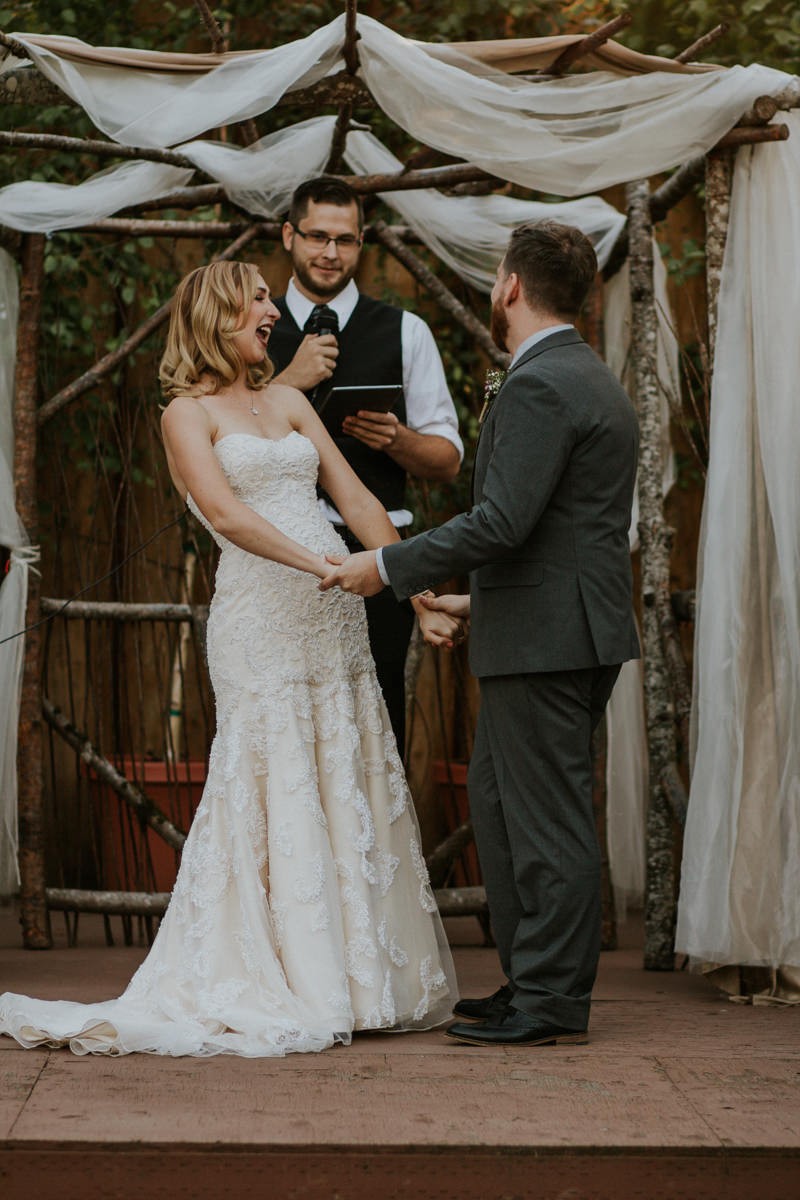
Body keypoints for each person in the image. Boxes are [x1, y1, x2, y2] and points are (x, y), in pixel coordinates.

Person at [0, 260, 459, 1057]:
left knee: (341, 770)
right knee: (270, 776)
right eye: (256, 297)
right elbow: (226, 513)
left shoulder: (287, 402)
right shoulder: (186, 414)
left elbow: (356, 500)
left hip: (336, 618)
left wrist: (411, 590)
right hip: (265, 618)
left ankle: (358, 980)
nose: (271, 309)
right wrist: (321, 567)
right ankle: (283, 977)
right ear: (217, 313)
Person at [321, 221, 640, 1047]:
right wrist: (472, 605)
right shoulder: (580, 375)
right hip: (543, 625)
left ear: (508, 287)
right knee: (502, 810)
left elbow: (502, 520)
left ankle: (551, 1001)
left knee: (546, 823)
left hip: (551, 641)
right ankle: (529, 979)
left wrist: (387, 568)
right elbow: (556, 533)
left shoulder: (543, 384)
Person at [267, 176, 464, 752]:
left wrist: (398, 439)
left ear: (362, 243)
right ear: (289, 236)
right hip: (277, 559)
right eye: (317, 237)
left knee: (376, 731)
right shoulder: (249, 327)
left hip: (378, 560)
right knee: (285, 733)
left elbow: (448, 460)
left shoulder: (406, 331)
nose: (330, 253)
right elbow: (218, 438)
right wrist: (290, 382)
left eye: (345, 240)